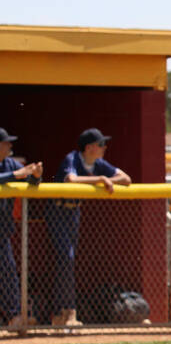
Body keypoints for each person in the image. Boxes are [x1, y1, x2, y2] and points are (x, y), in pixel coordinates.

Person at [54, 128, 131, 327]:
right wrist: (99, 179)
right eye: (100, 144)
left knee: (68, 260)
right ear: (89, 148)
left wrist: (106, 179)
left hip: (74, 212)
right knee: (66, 258)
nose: (104, 148)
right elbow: (71, 179)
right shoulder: (72, 158)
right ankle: (66, 312)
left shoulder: (98, 163)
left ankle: (63, 312)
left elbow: (126, 179)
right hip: (58, 211)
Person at [0, 128, 42, 327]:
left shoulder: (9, 163)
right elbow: (17, 174)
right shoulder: (12, 168)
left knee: (8, 273)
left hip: (2, 232)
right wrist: (16, 174)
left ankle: (15, 315)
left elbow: (30, 182)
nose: (9, 146)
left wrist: (36, 176)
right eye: (5, 142)